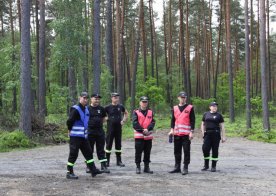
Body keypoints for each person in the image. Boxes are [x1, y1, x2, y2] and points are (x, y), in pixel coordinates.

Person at [66, 92, 102, 179]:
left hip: (84, 136)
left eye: (86, 98)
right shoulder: (75, 109)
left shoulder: (86, 109)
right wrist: (69, 130)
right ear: (80, 98)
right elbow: (69, 121)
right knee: (73, 154)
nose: (85, 100)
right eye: (83, 98)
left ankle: (93, 170)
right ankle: (69, 172)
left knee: (88, 152)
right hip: (75, 136)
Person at [168, 92, 195, 175]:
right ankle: (177, 167)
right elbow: (173, 120)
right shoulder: (175, 108)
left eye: (184, 97)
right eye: (181, 97)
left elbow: (192, 120)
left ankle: (185, 167)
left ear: (186, 98)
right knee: (177, 151)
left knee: (186, 151)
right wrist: (171, 130)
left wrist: (191, 132)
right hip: (176, 133)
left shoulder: (190, 108)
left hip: (186, 134)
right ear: (178, 98)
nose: (183, 99)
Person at [86, 93, 110, 174]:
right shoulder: (86, 108)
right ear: (91, 99)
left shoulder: (101, 109)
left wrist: (102, 121)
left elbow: (105, 117)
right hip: (90, 132)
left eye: (98, 99)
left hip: (100, 132)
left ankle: (103, 166)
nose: (97, 100)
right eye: (95, 99)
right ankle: (89, 167)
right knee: (89, 150)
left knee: (101, 150)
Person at [132, 96, 155, 174]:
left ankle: (146, 167)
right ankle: (138, 167)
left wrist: (148, 129)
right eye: (143, 102)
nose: (144, 103)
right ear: (140, 102)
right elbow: (135, 123)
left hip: (148, 136)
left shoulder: (150, 112)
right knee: (138, 152)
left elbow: (153, 122)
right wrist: (142, 130)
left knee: (147, 152)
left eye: (146, 102)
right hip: (139, 136)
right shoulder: (136, 112)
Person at [201, 102, 226, 172]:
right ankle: (206, 165)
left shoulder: (219, 115)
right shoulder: (206, 114)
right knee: (205, 148)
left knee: (215, 150)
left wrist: (224, 136)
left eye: (216, 106)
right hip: (207, 134)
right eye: (213, 106)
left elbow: (222, 127)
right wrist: (203, 132)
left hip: (216, 134)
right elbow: (203, 124)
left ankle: (213, 166)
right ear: (210, 107)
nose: (215, 107)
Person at [105, 93, 128, 167]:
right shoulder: (107, 107)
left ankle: (119, 161)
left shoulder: (120, 106)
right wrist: (105, 118)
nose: (116, 99)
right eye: (114, 97)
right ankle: (107, 161)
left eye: (117, 97)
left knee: (118, 145)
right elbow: (102, 114)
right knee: (109, 145)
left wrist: (123, 121)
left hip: (118, 129)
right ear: (111, 98)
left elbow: (126, 113)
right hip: (110, 129)